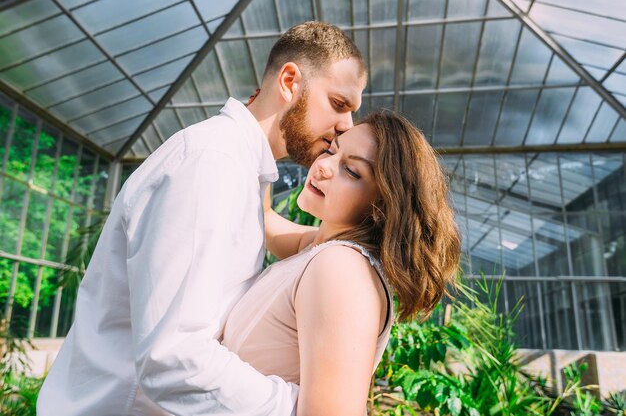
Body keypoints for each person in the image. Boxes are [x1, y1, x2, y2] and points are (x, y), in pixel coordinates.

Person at [37, 21, 367, 416]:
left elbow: (270, 224)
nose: (347, 124)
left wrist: (346, 239)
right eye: (338, 103)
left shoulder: (240, 169)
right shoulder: (212, 164)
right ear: (290, 81)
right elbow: (173, 357)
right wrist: (310, 407)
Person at [221, 110, 462, 415]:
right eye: (332, 151)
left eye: (351, 171)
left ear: (380, 206)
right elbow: (265, 217)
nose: (322, 167)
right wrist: (266, 122)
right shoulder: (319, 247)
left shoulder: (341, 268)